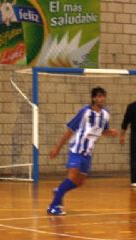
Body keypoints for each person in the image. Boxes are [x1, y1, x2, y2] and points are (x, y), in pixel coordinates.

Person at [46, 86, 117, 215]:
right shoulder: (84, 112)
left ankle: (59, 191)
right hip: (76, 149)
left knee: (79, 182)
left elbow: (102, 130)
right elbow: (69, 131)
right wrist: (57, 148)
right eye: (99, 96)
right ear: (94, 98)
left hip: (88, 152)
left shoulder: (106, 114)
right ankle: (53, 206)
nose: (102, 99)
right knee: (72, 177)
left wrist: (110, 132)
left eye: (103, 96)